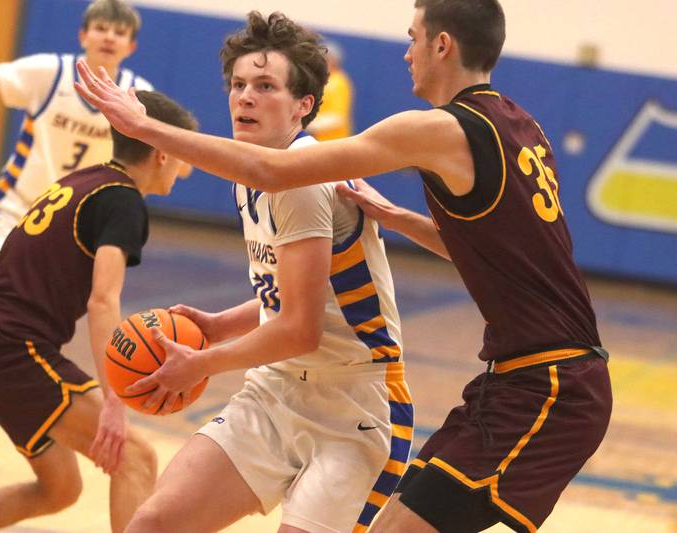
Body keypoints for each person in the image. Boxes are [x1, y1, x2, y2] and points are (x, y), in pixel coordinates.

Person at [75, 0, 613, 531]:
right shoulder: (520, 127)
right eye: (239, 85)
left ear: (442, 45)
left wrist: (144, 128)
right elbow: (497, 252)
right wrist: (399, 218)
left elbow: (275, 177)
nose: (407, 53)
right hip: (498, 376)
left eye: (413, 37)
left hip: (525, 384)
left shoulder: (436, 130)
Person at [116, 13, 412, 533]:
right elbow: (296, 294)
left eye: (265, 86)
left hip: (353, 407)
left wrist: (205, 362)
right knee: (154, 524)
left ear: (304, 105)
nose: (245, 97)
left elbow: (301, 327)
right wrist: (217, 326)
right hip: (276, 391)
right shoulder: (250, 171)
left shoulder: (299, 179)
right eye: (239, 85)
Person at [0, 90, 197, 533]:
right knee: (135, 456)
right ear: (159, 154)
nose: (186, 167)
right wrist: (114, 401)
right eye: (180, 154)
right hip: (11, 349)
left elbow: (13, 266)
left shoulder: (84, 180)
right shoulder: (122, 201)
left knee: (60, 489)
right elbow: (103, 300)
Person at [0, 0, 151, 472]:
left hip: (66, 232)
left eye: (119, 32)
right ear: (84, 35)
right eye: (100, 27)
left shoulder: (137, 96)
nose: (108, 37)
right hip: (16, 210)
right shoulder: (48, 73)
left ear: (132, 45)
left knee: (15, 330)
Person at [306, 39, 354, 140]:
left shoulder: (338, 82)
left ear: (332, 61)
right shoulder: (322, 80)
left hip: (332, 141)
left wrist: (308, 125)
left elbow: (337, 117)